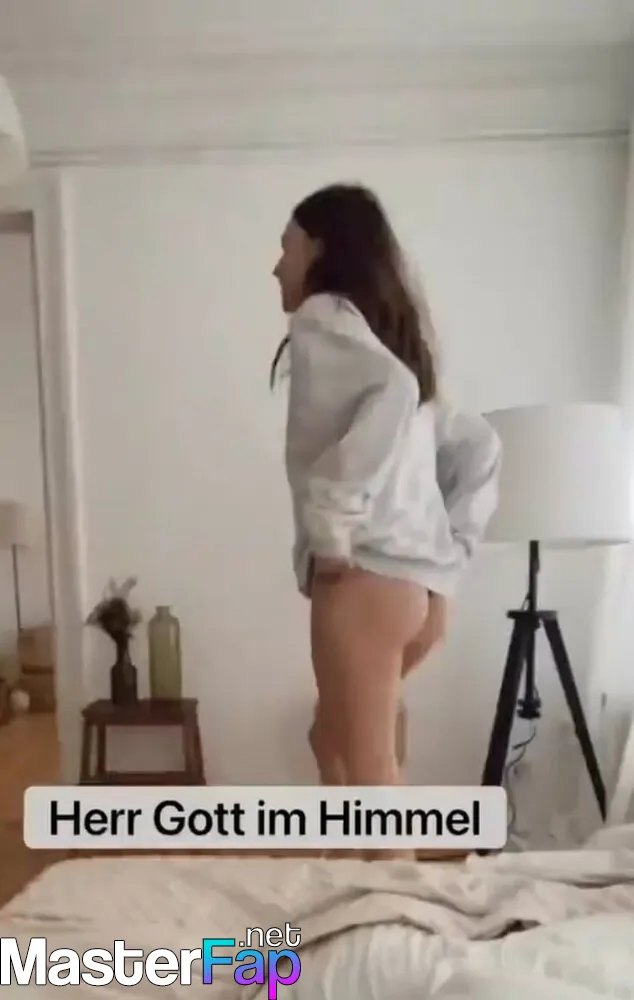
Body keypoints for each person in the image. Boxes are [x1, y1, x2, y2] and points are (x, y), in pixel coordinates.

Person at [271, 184, 501, 849]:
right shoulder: (393, 346)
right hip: (416, 593)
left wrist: (331, 530)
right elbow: (480, 443)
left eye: (286, 248)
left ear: (319, 249)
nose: (277, 267)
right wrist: (449, 558)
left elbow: (391, 391)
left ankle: (391, 902)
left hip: (364, 583)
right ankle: (350, 882)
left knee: (372, 781)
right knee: (336, 742)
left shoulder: (322, 318)